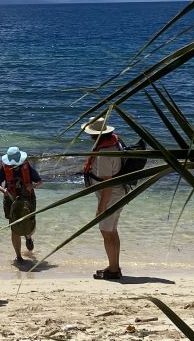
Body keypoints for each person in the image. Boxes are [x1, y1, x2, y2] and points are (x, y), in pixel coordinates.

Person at [82, 117, 124, 280]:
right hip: (119, 192)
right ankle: (114, 266)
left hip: (111, 195)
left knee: (106, 232)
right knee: (112, 231)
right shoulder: (115, 142)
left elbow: (108, 184)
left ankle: (113, 270)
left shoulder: (104, 154)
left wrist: (101, 207)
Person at [0, 146, 42, 263]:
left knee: (28, 223)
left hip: (27, 199)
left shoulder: (27, 167)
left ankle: (28, 237)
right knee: (14, 228)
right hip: (11, 200)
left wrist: (32, 186)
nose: (13, 165)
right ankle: (18, 256)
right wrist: (4, 190)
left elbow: (39, 181)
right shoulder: (4, 167)